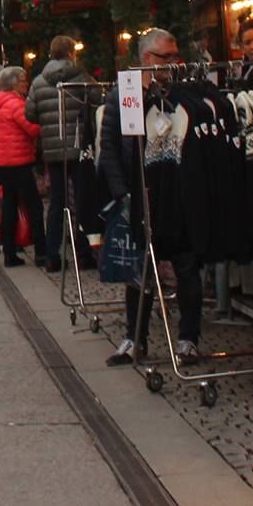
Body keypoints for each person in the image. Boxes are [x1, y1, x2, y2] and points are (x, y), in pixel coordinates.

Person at [97, 27, 201, 366]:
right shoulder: (124, 93)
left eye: (175, 56)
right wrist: (121, 192)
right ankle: (135, 337)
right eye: (165, 57)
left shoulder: (181, 92)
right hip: (138, 191)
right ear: (146, 58)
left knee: (186, 264)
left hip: (175, 192)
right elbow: (109, 146)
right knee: (138, 269)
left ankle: (188, 338)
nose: (173, 63)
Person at [25, 35, 83, 273]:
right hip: (78, 147)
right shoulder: (80, 76)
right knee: (81, 198)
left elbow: (29, 113)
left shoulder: (39, 82)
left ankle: (52, 255)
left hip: (52, 147)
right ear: (71, 52)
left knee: (57, 201)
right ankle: (84, 252)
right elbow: (95, 101)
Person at [0, 68, 42, 267]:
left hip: (3, 161)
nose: (25, 83)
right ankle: (42, 252)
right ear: (12, 84)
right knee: (34, 206)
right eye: (22, 80)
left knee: (9, 205)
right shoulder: (16, 104)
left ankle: (9, 253)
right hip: (18, 161)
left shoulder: (1, 102)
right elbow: (32, 129)